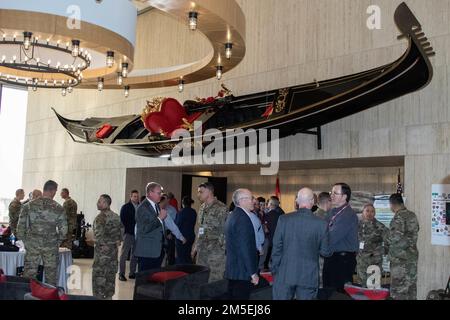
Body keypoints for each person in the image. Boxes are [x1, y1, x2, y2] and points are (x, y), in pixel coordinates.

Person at [271, 188, 331, 300]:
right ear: (312, 202)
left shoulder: (283, 219)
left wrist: (275, 269)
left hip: (285, 273)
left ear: (297, 201)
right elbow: (325, 252)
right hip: (309, 275)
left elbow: (276, 248)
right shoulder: (322, 224)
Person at [16, 180, 67, 286]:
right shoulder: (58, 208)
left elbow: (20, 229)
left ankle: (28, 296)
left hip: (32, 245)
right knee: (51, 277)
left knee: (29, 276)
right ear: (52, 191)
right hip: (51, 246)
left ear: (44, 189)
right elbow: (64, 231)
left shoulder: (28, 206)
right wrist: (57, 242)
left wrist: (27, 242)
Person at [322, 183, 358, 294]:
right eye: (331, 192)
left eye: (335, 193)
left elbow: (331, 237)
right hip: (333, 258)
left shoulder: (348, 215)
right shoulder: (332, 212)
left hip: (342, 260)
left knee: (337, 293)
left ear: (344, 197)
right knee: (328, 290)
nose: (331, 195)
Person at [225, 189, 259, 300]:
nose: (253, 201)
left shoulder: (234, 215)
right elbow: (245, 248)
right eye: (251, 198)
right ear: (242, 200)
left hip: (234, 270)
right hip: (242, 272)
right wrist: (252, 273)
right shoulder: (242, 219)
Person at [385, 193, 419, 300]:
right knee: (411, 287)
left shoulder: (399, 217)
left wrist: (385, 235)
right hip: (412, 257)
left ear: (392, 204)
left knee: (398, 289)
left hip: (400, 260)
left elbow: (393, 237)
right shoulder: (412, 215)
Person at [192, 182, 228, 281]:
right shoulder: (202, 208)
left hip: (215, 252)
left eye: (201, 192)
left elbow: (225, 231)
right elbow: (200, 228)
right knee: (201, 277)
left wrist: (222, 250)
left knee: (214, 279)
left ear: (210, 192)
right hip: (202, 250)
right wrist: (195, 246)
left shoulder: (221, 208)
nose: (198, 194)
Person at [92, 194, 122, 300]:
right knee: (110, 277)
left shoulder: (100, 218)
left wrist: (102, 244)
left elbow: (98, 237)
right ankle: (109, 297)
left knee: (99, 278)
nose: (98, 203)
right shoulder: (116, 217)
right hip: (113, 254)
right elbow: (120, 235)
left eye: (100, 201)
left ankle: (99, 297)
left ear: (105, 203)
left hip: (102, 255)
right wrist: (113, 243)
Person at [134, 182, 168, 272]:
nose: (161, 195)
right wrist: (160, 218)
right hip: (147, 251)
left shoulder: (155, 205)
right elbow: (144, 229)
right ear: (150, 193)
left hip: (156, 250)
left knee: (152, 281)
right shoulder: (142, 208)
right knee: (144, 281)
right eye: (158, 193)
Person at [356, 203, 388, 287]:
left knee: (374, 285)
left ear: (375, 213)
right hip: (361, 261)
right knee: (361, 285)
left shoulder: (380, 226)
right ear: (362, 212)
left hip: (374, 260)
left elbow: (389, 240)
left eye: (372, 211)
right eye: (367, 211)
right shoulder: (357, 225)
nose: (369, 213)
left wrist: (382, 251)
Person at [118, 190, 139, 281]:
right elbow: (122, 221)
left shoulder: (140, 207)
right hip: (128, 233)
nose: (136, 198)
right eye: (134, 196)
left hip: (137, 234)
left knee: (135, 254)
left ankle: (132, 273)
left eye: (137, 196)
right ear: (130, 197)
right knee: (124, 254)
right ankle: (121, 274)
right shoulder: (126, 207)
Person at [159, 194, 186, 265]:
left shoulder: (170, 210)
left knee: (169, 253)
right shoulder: (155, 211)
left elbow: (173, 225)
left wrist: (180, 236)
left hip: (167, 233)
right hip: (156, 238)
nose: (166, 202)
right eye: (164, 201)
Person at [263, 196, 285, 270]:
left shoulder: (266, 215)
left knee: (267, 255)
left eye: (268, 203)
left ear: (271, 204)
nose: (267, 204)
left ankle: (266, 267)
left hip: (268, 239)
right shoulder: (280, 216)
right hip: (277, 239)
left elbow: (265, 228)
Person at [175, 196, 197, 264]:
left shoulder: (181, 212)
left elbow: (177, 225)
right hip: (191, 236)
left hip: (182, 237)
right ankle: (189, 272)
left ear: (182, 203)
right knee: (188, 256)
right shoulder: (194, 212)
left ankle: (182, 273)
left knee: (181, 257)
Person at [251, 197, 265, 263]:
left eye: (258, 204)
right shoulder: (252, 215)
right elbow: (255, 232)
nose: (258, 206)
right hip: (254, 245)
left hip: (258, 244)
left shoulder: (258, 214)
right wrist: (259, 247)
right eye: (256, 204)